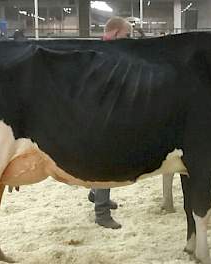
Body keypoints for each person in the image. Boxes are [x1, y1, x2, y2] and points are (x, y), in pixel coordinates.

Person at [88, 17, 132, 230]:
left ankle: (96, 193)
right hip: (101, 114)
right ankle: (101, 212)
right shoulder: (105, 54)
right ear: (115, 33)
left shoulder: (102, 50)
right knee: (105, 161)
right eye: (126, 35)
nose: (128, 40)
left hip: (103, 110)